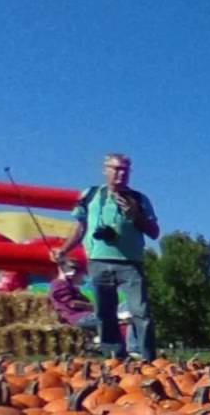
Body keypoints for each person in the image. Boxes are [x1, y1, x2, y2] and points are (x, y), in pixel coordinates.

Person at [53, 153, 159, 359]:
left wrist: (135, 215)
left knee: (140, 311)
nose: (121, 174)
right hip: (99, 261)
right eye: (116, 169)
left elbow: (154, 232)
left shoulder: (139, 199)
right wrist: (64, 250)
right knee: (104, 312)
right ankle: (114, 357)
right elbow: (80, 227)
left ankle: (148, 358)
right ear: (105, 170)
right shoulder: (91, 195)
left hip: (131, 262)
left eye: (125, 171)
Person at [47, 258, 99, 333]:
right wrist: (95, 307)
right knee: (109, 321)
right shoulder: (59, 284)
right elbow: (72, 303)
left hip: (83, 316)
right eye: (79, 274)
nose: (81, 277)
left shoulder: (69, 285)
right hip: (77, 317)